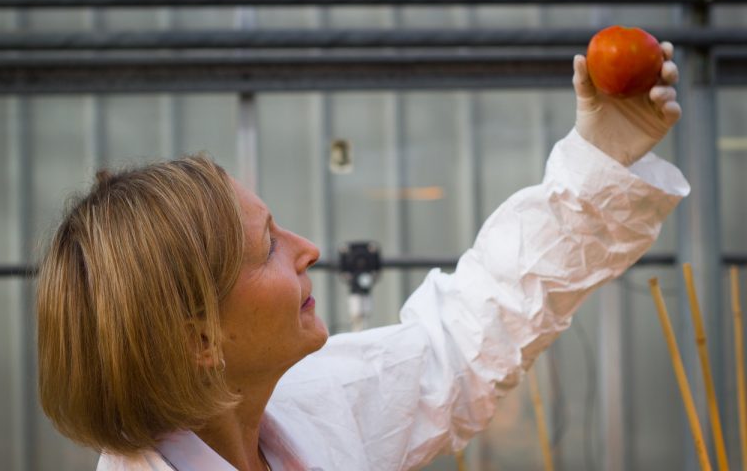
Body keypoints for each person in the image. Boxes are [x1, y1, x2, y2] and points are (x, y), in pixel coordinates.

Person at [36, 44, 689, 471]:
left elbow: (458, 346)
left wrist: (599, 157)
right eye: (268, 247)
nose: (308, 250)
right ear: (201, 338)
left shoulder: (311, 409)